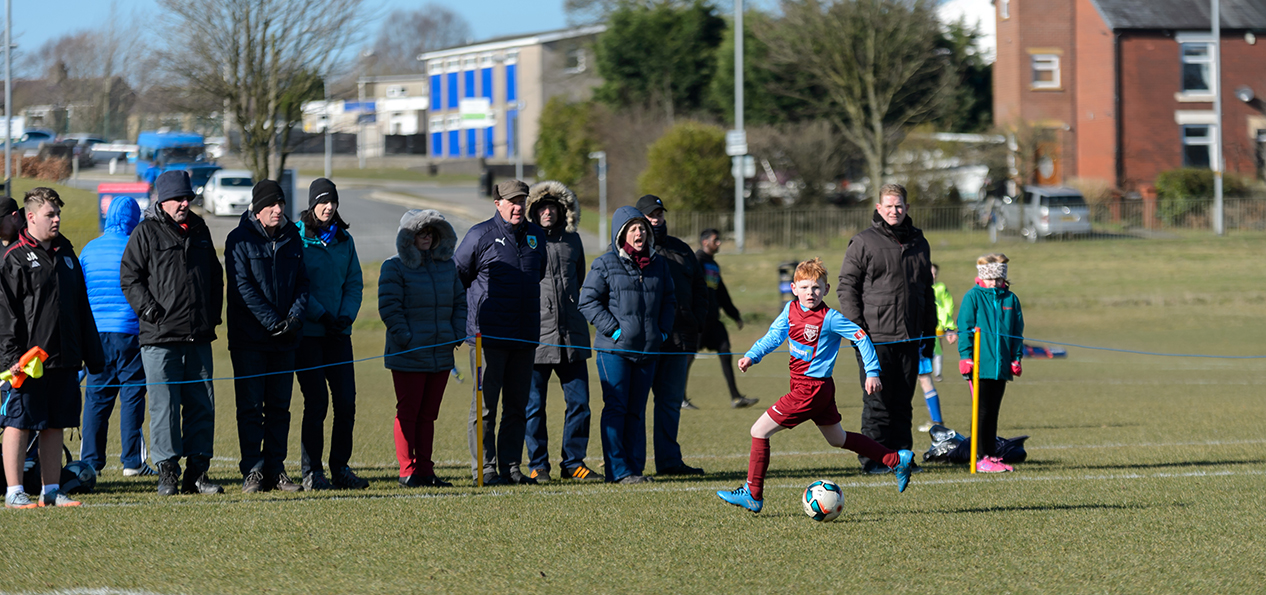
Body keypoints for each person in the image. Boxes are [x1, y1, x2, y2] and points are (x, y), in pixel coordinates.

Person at [716, 258, 914, 513]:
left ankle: (753, 493)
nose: (811, 293)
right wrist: (752, 356)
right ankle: (896, 459)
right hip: (814, 389)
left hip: (810, 390)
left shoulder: (829, 318)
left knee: (759, 431)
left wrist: (872, 372)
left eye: (817, 288)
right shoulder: (790, 310)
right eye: (806, 287)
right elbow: (773, 336)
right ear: (794, 288)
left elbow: (861, 337)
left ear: (827, 289)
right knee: (838, 438)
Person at [121, 171, 225, 496]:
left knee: (201, 405)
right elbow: (130, 277)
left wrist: (212, 317)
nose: (184, 204)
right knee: (163, 407)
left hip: (198, 337)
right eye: (178, 199)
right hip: (160, 339)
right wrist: (150, 311)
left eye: (187, 198)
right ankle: (168, 473)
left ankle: (198, 473)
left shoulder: (200, 229)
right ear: (163, 200)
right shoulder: (145, 232)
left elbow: (215, 276)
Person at [1, 187, 104, 508]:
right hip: (28, 362)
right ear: (30, 217)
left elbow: (81, 307)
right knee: (19, 423)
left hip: (65, 357)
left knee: (55, 423)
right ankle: (15, 491)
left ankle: (51, 490)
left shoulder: (67, 254)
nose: (57, 218)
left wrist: (91, 352)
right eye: (50, 214)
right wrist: (11, 358)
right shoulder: (14, 258)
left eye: (58, 213)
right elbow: (6, 313)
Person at [837, 183, 936, 474]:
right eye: (889, 205)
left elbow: (926, 291)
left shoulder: (920, 242)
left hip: (910, 336)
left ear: (907, 207)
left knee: (903, 403)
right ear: (879, 208)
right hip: (874, 338)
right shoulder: (864, 241)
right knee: (878, 403)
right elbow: (847, 287)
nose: (895, 210)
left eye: (899, 205)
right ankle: (874, 461)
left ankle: (903, 459)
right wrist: (857, 331)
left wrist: (928, 334)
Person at [454, 179, 546, 485]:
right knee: (485, 407)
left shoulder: (536, 236)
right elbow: (458, 276)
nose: (518, 206)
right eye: (512, 201)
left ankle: (511, 467)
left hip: (524, 336)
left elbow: (538, 273)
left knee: (518, 407)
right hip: (487, 338)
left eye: (522, 200)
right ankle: (485, 469)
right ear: (498, 204)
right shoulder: (479, 235)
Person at [579, 206, 675, 484]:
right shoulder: (605, 263)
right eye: (633, 229)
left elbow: (669, 300)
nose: (639, 233)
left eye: (642, 228)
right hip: (615, 351)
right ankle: (617, 470)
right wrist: (615, 331)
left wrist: (663, 333)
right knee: (616, 408)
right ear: (621, 233)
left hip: (648, 351)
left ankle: (633, 468)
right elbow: (587, 302)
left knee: (636, 410)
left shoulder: (658, 264)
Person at [224, 180, 309, 493]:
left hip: (285, 340)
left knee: (279, 408)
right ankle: (254, 471)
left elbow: (303, 282)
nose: (278, 210)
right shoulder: (238, 240)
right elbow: (242, 287)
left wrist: (295, 318)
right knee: (250, 408)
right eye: (271, 205)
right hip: (250, 340)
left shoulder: (292, 238)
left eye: (281, 204)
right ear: (257, 208)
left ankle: (276, 469)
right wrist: (273, 321)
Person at [379, 209, 466, 488]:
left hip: (440, 353)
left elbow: (460, 304)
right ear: (408, 237)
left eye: (430, 232)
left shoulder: (448, 266)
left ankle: (426, 470)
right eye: (420, 232)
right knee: (408, 411)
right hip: (408, 353)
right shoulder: (393, 267)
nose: (426, 237)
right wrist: (406, 338)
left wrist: (455, 334)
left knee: (429, 414)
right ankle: (408, 470)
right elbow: (390, 308)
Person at [522, 181, 601, 483]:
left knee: (580, 403)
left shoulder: (574, 241)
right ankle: (538, 464)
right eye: (542, 207)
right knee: (533, 406)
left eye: (552, 207)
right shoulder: (526, 241)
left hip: (573, 335)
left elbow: (578, 280)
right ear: (534, 210)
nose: (547, 212)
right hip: (536, 334)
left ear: (562, 211)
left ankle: (573, 462)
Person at [294, 178, 367, 491]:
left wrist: (345, 316)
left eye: (333, 201)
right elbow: (296, 284)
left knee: (346, 403)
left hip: (338, 333)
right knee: (317, 403)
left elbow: (353, 283)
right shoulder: (296, 238)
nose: (328, 207)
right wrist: (320, 313)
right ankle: (312, 471)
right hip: (309, 334)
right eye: (322, 201)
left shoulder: (344, 240)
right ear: (312, 203)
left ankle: (340, 468)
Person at [80, 194, 152, 477]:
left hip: (96, 334)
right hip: (130, 330)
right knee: (133, 394)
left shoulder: (89, 249)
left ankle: (90, 461)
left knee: (97, 398)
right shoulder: (137, 246)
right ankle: (132, 461)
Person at [956, 253, 1024, 473]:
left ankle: (991, 456)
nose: (994, 283)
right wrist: (966, 356)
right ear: (981, 277)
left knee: (993, 412)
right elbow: (965, 329)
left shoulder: (1011, 299)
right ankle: (981, 456)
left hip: (1001, 366)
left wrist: (1016, 357)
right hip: (979, 366)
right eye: (990, 278)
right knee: (982, 412)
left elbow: (1016, 332)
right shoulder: (973, 297)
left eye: (998, 279)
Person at [686, 228, 757, 410]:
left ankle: (736, 398)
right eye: (715, 240)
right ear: (704, 242)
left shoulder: (713, 265)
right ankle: (679, 397)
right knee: (686, 358)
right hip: (699, 320)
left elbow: (721, 292)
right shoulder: (697, 261)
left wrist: (735, 315)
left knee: (725, 351)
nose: (719, 243)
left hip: (713, 321)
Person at [917, 263, 958, 432]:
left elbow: (940, 310)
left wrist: (949, 327)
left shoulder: (930, 290)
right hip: (905, 339)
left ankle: (937, 422)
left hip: (919, 339)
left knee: (925, 379)